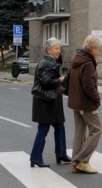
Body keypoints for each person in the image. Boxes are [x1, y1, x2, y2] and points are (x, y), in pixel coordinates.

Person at [65, 35, 102, 174]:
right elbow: (89, 87)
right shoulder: (88, 63)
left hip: (75, 102)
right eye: (99, 49)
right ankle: (81, 160)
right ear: (92, 48)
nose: (99, 52)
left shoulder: (76, 59)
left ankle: (76, 164)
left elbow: (68, 79)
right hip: (86, 103)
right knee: (96, 130)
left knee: (79, 132)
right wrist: (97, 99)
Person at [30, 37, 71, 168]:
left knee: (59, 126)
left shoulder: (50, 61)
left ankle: (61, 154)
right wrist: (60, 79)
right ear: (48, 49)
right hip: (46, 102)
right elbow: (46, 82)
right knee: (43, 129)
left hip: (49, 101)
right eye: (56, 48)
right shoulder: (48, 62)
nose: (59, 51)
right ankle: (36, 157)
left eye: (59, 48)